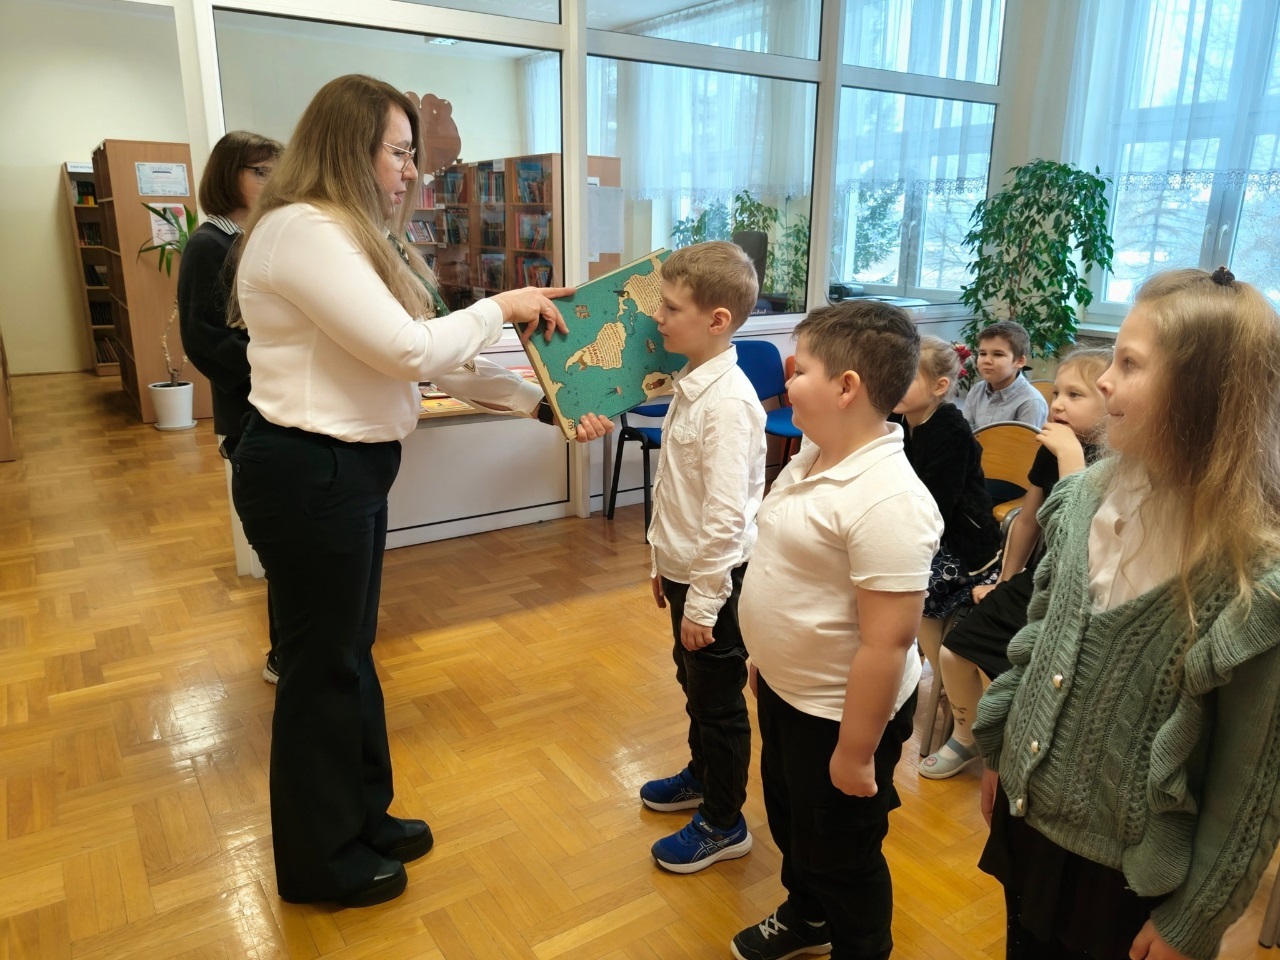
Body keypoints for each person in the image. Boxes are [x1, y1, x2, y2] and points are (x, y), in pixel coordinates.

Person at [226, 74, 611, 909]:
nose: (411, 171)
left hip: (347, 472)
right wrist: (502, 305)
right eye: (399, 153)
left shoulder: (354, 235)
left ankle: (364, 816)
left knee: (349, 658)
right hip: (308, 472)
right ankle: (320, 861)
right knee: (321, 672)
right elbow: (409, 350)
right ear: (348, 147)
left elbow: (442, 360)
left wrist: (542, 403)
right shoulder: (301, 230)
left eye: (411, 155)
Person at [974, 267, 1280, 960]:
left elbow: (1250, 780)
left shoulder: (1251, 575)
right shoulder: (1084, 498)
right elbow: (1039, 640)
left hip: (1130, 876)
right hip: (1029, 817)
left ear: (1203, 392)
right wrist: (1003, 748)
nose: (1105, 381)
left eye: (1130, 365)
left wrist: (1194, 917)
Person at [731, 301, 943, 960]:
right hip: (791, 693)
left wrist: (855, 751)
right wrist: (768, 658)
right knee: (794, 821)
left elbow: (888, 643)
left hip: (842, 716)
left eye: (801, 370)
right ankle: (809, 915)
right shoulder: (813, 455)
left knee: (842, 851)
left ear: (846, 387)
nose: (787, 380)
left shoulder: (888, 500)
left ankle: (857, 943)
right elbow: (793, 570)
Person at [920, 347, 1110, 779]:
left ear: (1111, 402)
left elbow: (1087, 539)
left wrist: (1071, 459)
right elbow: (1027, 520)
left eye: (1075, 395)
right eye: (1057, 392)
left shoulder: (1115, 462)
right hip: (1039, 579)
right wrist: (1005, 580)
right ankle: (967, 736)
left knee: (1030, 667)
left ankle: (1018, 738)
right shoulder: (1053, 446)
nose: (1057, 404)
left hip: (1086, 590)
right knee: (953, 652)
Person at [638, 241, 765, 874]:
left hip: (717, 581)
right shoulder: (691, 383)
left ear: (717, 320)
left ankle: (723, 821)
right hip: (685, 572)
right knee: (693, 684)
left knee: (718, 702)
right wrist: (660, 563)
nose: (657, 317)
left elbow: (725, 516)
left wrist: (705, 604)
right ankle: (701, 776)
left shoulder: (729, 403)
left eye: (670, 307)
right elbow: (676, 491)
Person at [177, 130, 284, 684]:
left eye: (277, 171)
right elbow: (204, 339)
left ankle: (289, 651)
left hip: (272, 405)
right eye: (261, 172)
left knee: (293, 551)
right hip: (250, 411)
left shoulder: (259, 237)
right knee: (284, 552)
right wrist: (276, 365)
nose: (273, 181)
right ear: (228, 176)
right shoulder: (209, 244)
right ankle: (281, 656)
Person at [889, 336, 1001, 739]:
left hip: (965, 545)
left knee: (917, 590)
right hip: (924, 530)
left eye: (908, 378)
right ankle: (926, 675)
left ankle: (952, 693)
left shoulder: (950, 428)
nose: (895, 384)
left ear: (940, 386)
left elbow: (935, 505)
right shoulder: (900, 419)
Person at [964, 321, 1048, 504]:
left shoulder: (1030, 401)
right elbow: (966, 434)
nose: (987, 360)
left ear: (1020, 361)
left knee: (964, 495)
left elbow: (1022, 456)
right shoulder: (977, 390)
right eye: (982, 353)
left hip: (1012, 477)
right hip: (978, 468)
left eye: (998, 354)